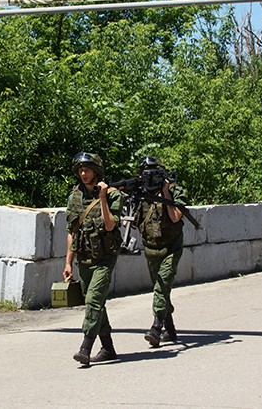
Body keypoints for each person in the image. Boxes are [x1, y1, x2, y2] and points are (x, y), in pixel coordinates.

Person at [64, 152, 123, 367]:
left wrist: (103, 198)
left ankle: (85, 347)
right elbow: (72, 230)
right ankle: (107, 347)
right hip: (84, 257)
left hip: (105, 258)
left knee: (93, 300)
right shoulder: (75, 196)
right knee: (96, 303)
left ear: (96, 170)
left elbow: (109, 225)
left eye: (87, 169)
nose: (83, 173)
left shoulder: (114, 195)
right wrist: (68, 262)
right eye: (80, 169)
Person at [126, 156, 189, 347]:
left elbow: (176, 217)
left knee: (161, 287)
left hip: (171, 247)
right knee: (161, 289)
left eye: (155, 174)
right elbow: (135, 221)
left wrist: (165, 194)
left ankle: (156, 327)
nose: (150, 179)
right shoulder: (141, 193)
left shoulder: (175, 191)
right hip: (151, 248)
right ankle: (170, 330)